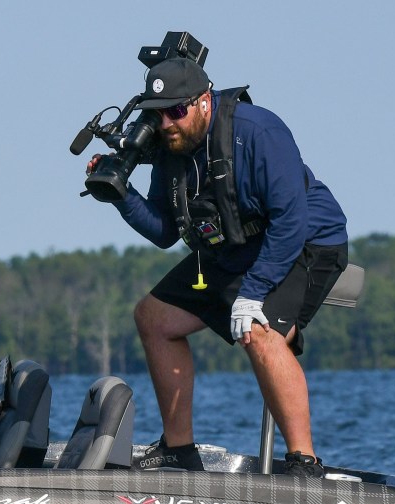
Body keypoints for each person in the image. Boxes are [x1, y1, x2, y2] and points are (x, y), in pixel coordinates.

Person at [97, 57, 348, 478]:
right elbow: (164, 231)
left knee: (259, 330)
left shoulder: (259, 131)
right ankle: (179, 450)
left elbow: (291, 222)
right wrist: (122, 196)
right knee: (154, 318)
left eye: (176, 110)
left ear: (204, 101)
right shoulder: (172, 147)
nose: (167, 123)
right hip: (233, 249)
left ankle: (305, 464)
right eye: (158, 114)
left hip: (307, 242)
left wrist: (253, 292)